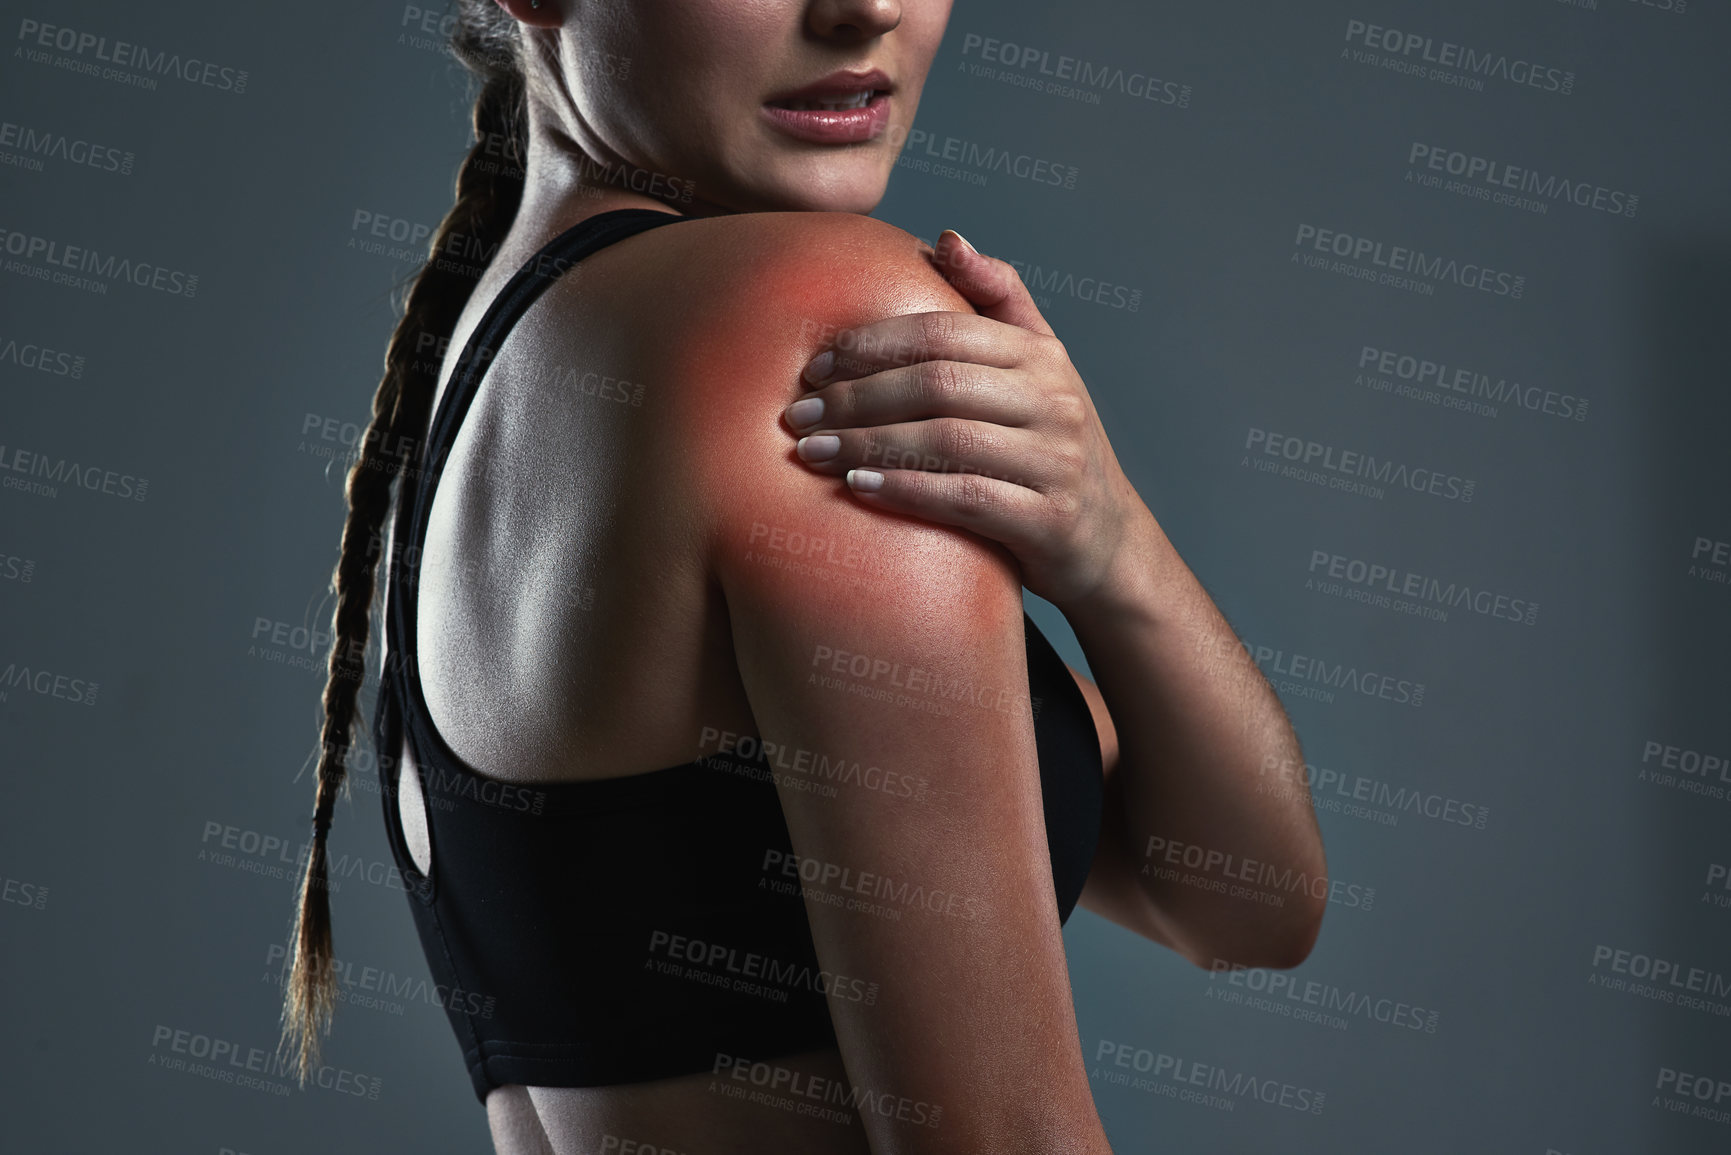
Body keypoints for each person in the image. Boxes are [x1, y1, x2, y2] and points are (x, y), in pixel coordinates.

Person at [282, 1, 1327, 1152]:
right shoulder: (806, 318)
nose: (865, 7)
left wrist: (1111, 543)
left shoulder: (491, 382)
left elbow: (1238, 901)